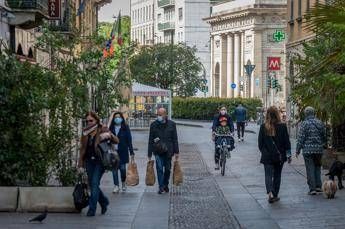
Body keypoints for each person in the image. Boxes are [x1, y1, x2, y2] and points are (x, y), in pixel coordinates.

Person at [78, 111, 119, 216]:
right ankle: (104, 201)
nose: (89, 123)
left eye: (91, 120)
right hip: (88, 161)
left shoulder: (102, 129)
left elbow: (116, 140)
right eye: (87, 121)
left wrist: (108, 135)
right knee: (92, 185)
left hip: (99, 162)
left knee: (95, 183)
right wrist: (80, 164)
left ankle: (92, 209)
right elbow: (82, 149)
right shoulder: (85, 132)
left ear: (96, 120)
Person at [258, 106, 291, 203]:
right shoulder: (282, 126)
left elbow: (260, 144)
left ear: (267, 114)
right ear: (277, 114)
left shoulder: (263, 127)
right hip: (279, 156)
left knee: (268, 175)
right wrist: (288, 155)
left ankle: (270, 193)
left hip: (267, 156)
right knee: (277, 175)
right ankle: (275, 193)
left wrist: (265, 152)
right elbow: (287, 142)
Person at [296, 106, 326, 195]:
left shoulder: (304, 124)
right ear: (314, 113)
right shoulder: (320, 123)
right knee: (317, 167)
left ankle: (312, 188)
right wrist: (323, 145)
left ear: (306, 114)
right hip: (318, 150)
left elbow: (301, 138)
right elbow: (324, 136)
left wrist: (297, 150)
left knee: (310, 169)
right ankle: (318, 186)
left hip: (308, 151)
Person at [148, 108, 179, 194]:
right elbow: (150, 139)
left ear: (165, 115)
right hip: (158, 151)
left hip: (168, 151)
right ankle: (161, 186)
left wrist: (176, 151)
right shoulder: (153, 125)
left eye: (161, 114)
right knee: (159, 168)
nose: (159, 116)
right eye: (158, 114)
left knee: (168, 169)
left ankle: (166, 184)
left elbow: (175, 139)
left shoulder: (172, 124)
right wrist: (149, 153)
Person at [109, 111, 135, 193]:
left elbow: (129, 140)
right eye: (115, 117)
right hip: (113, 152)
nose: (117, 119)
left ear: (121, 118)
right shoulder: (111, 128)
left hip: (123, 152)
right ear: (113, 119)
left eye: (119, 117)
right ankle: (116, 185)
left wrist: (131, 152)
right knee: (114, 169)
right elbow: (107, 139)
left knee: (123, 169)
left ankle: (123, 183)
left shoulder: (125, 127)